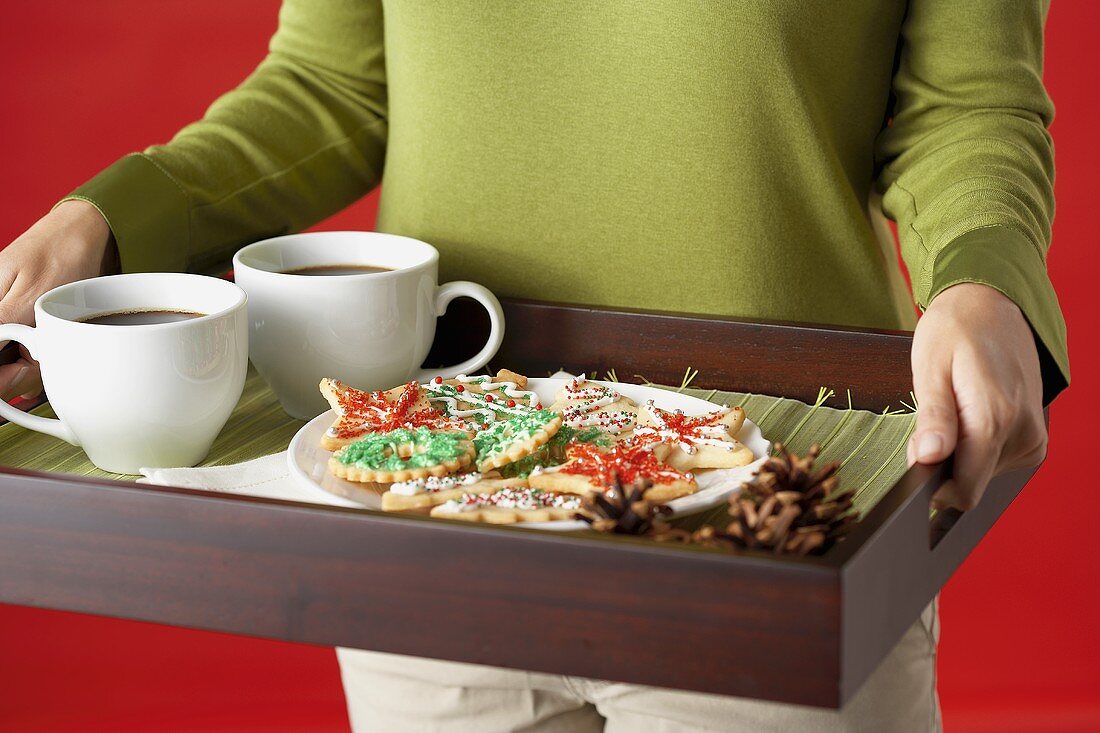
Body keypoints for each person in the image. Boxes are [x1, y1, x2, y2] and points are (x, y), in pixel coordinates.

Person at [0, 1, 1067, 730]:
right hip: (432, 514)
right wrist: (111, 214)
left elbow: (964, 105)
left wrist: (983, 277)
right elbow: (331, 84)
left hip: (763, 528)